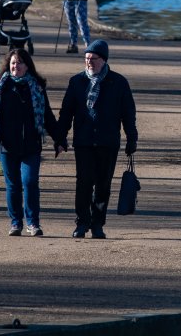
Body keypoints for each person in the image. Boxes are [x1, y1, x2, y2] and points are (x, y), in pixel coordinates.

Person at [58, 40, 138, 239]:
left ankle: (97, 224)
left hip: (107, 142)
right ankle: (81, 222)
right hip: (84, 141)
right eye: (86, 58)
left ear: (104, 60)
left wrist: (131, 138)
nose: (89, 62)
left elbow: (128, 113)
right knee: (83, 183)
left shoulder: (118, 82)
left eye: (93, 59)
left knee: (103, 185)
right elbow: (66, 112)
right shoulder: (77, 82)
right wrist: (61, 137)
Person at [0, 48, 64, 237]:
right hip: (7, 145)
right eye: (13, 63)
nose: (15, 66)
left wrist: (59, 139)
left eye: (19, 63)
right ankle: (15, 223)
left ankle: (33, 223)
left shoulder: (36, 87)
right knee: (13, 185)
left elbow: (47, 117)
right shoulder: (0, 86)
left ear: (27, 66)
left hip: (31, 145)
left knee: (29, 182)